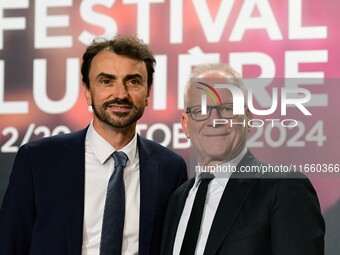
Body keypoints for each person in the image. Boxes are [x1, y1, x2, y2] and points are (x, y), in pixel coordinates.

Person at [0, 35, 188, 255]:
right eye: (106, 81)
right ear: (88, 92)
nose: (120, 94)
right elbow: (9, 245)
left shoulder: (170, 168)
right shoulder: (38, 160)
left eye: (133, 81)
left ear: (147, 93)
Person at [160, 63, 325, 255]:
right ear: (186, 125)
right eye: (201, 111)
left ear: (248, 118)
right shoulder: (177, 199)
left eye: (228, 109)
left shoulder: (284, 187)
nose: (215, 121)